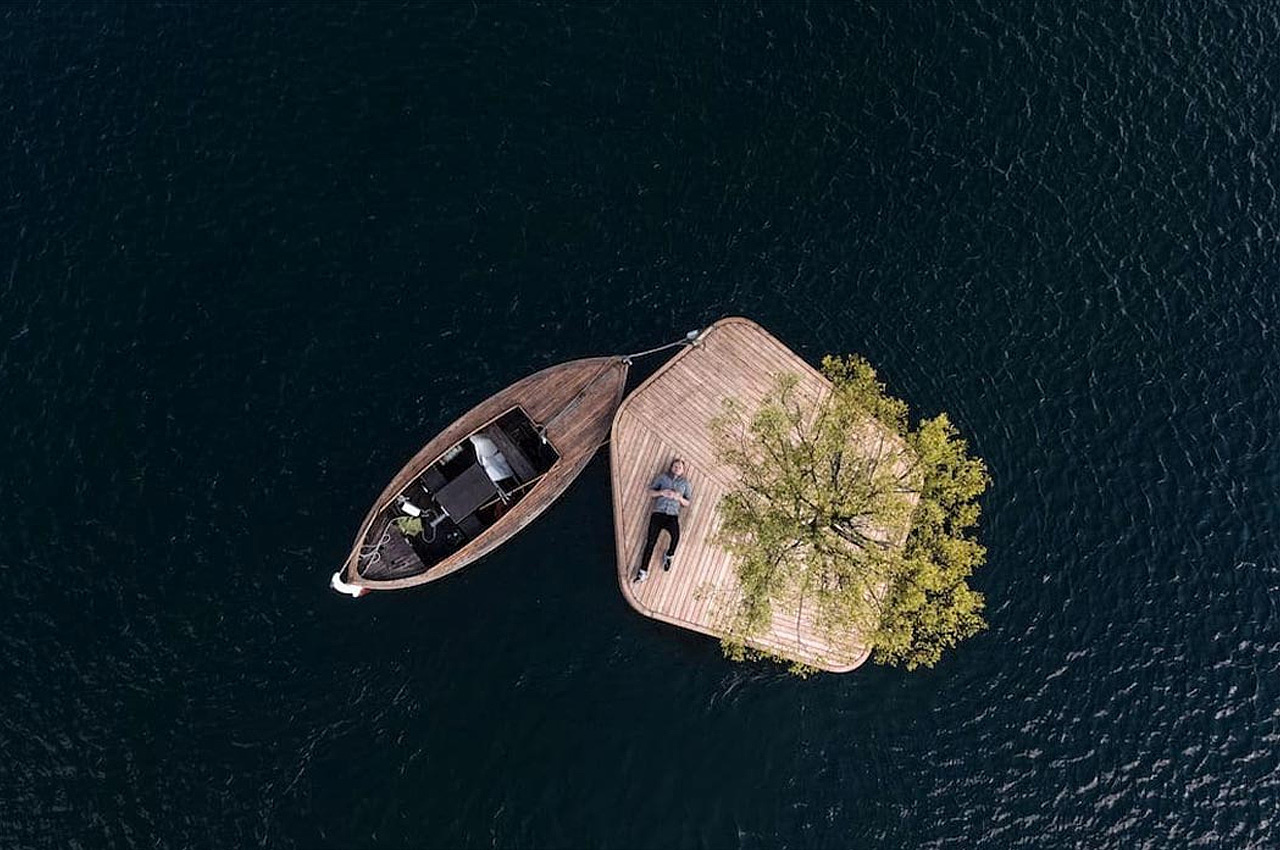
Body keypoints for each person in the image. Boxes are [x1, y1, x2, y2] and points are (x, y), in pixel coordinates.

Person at [633, 458, 692, 583]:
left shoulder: (685, 484)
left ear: (683, 470)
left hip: (672, 516)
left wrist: (679, 497)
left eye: (680, 467)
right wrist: (661, 493)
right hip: (658, 514)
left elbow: (687, 502)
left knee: (676, 538)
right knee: (650, 543)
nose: (677, 469)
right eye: (675, 466)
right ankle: (643, 572)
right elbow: (650, 492)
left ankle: (669, 555)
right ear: (671, 467)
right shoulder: (662, 478)